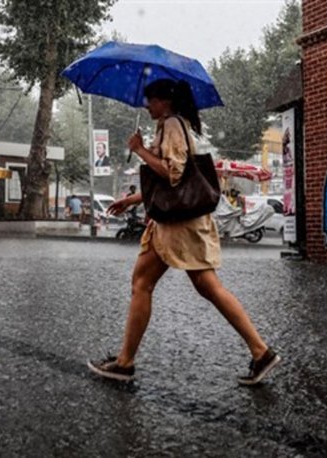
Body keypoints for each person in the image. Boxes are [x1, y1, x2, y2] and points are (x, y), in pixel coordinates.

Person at [87, 79, 280, 386]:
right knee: (172, 284)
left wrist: (139, 150)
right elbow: (169, 180)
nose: (147, 105)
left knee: (152, 284)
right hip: (177, 223)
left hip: (179, 226)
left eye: (151, 99)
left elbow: (173, 174)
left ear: (166, 101)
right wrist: (133, 199)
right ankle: (260, 352)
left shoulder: (173, 125)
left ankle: (125, 363)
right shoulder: (171, 125)